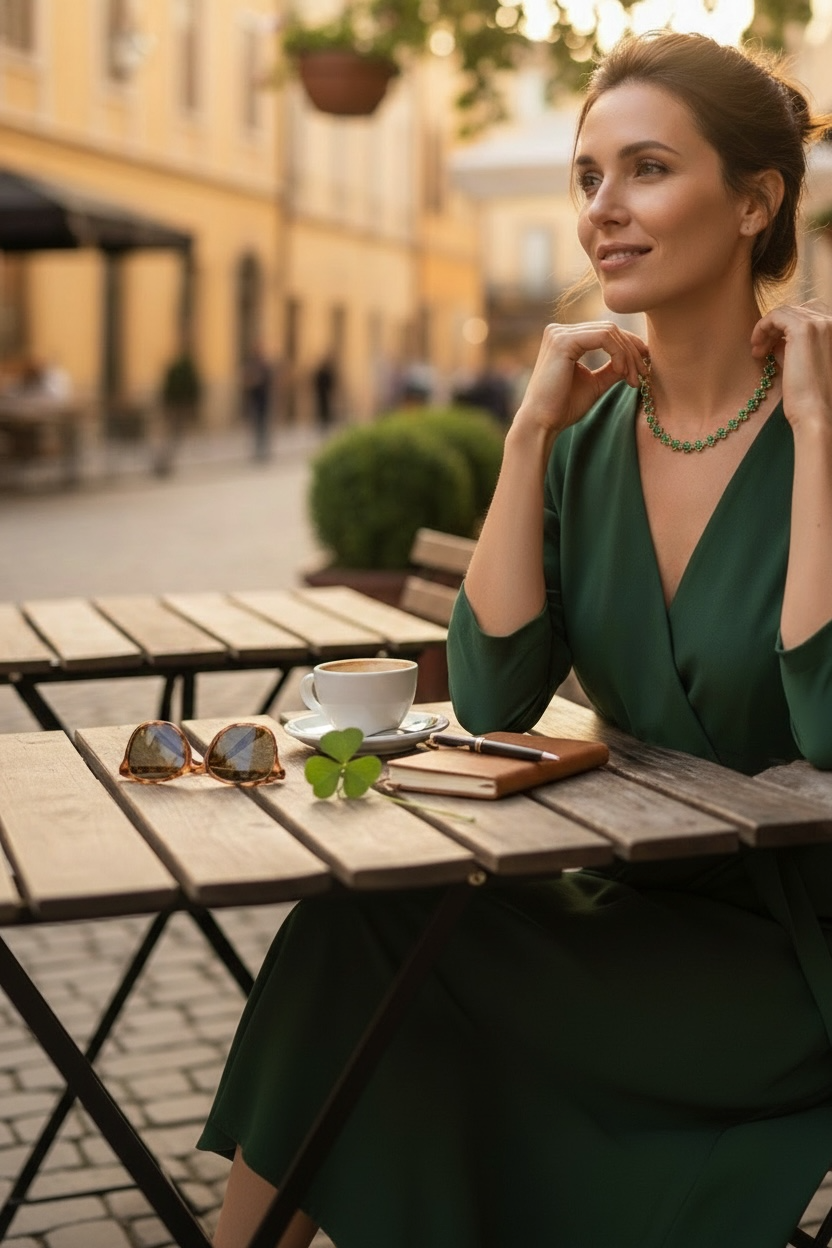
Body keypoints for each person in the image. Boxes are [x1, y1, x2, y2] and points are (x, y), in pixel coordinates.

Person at [197, 31, 832, 1247]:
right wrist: (529, 434)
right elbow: (491, 699)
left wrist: (817, 437)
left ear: (755, 201)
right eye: (587, 177)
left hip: (788, 960)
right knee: (351, 931)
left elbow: (829, 724)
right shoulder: (585, 442)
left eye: (648, 169)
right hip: (619, 904)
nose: (602, 210)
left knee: (394, 979)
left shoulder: (824, 427)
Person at [241, 344, 275, 462]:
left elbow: (269, 381)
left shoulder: (264, 366)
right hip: (254, 400)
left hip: (263, 400)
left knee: (263, 426)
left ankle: (263, 450)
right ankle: (258, 450)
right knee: (256, 426)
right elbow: (246, 380)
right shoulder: (251, 365)